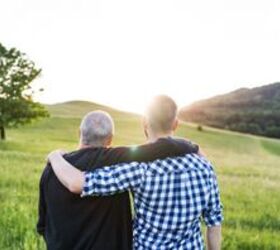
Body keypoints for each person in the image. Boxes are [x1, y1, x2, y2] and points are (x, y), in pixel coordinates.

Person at [48, 95, 223, 250]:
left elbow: (77, 183)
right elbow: (214, 223)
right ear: (176, 124)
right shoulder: (205, 168)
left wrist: (55, 156)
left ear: (145, 123)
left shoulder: (140, 170)